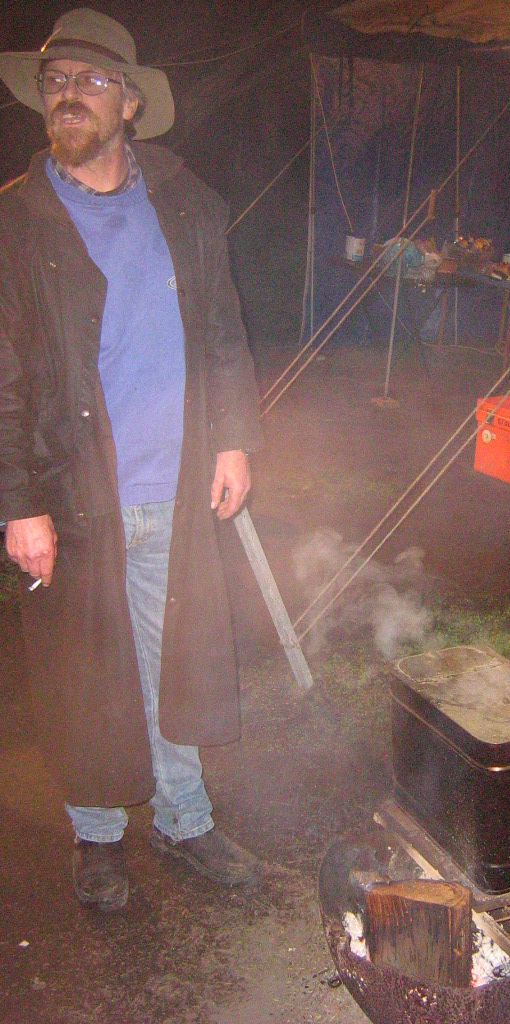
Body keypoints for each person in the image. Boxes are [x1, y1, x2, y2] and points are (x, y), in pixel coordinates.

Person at [0, 9, 263, 911]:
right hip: (70, 494)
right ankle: (98, 834)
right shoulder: (15, 222)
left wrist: (234, 438)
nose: (68, 94)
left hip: (176, 485)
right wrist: (16, 502)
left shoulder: (187, 205)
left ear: (131, 102)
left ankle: (184, 820)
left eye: (90, 80)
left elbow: (223, 332)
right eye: (55, 81)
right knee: (85, 678)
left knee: (173, 662)